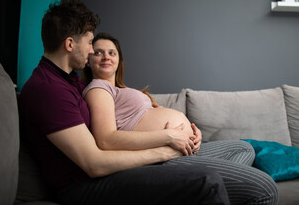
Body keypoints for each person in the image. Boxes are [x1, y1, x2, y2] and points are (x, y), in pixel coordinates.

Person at [18, 0, 231, 205]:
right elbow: (94, 164)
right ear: (70, 44)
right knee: (208, 182)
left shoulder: (69, 79)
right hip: (83, 186)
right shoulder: (49, 90)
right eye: (91, 43)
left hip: (104, 173)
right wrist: (166, 151)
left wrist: (185, 133)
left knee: (238, 155)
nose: (92, 51)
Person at [82, 32, 279, 205]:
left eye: (112, 52)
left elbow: (150, 117)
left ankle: (213, 192)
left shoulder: (121, 90)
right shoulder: (99, 88)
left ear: (119, 60)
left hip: (183, 147)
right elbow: (106, 140)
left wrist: (193, 133)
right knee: (266, 188)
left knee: (244, 148)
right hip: (164, 158)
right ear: (88, 61)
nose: (106, 56)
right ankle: (209, 187)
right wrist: (169, 136)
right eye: (98, 52)